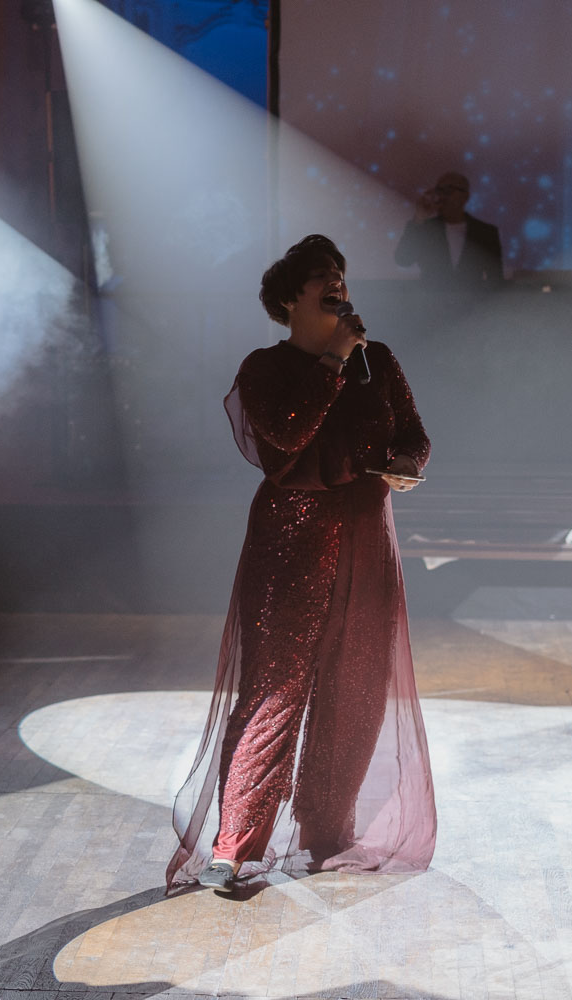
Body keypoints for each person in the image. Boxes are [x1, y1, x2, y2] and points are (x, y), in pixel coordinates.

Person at [167, 235, 437, 892]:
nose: (338, 283)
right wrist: (334, 363)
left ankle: (326, 831)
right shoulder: (267, 367)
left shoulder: (378, 361)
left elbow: (415, 437)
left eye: (342, 273)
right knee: (276, 686)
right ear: (289, 296)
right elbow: (286, 436)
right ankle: (237, 842)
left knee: (357, 686)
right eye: (322, 276)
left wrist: (406, 468)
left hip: (368, 533)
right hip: (294, 537)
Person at [393, 171, 503, 292]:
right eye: (439, 191)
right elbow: (403, 260)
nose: (442, 196)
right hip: (431, 307)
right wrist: (418, 219)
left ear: (465, 197)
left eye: (448, 190)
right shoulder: (426, 229)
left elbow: (495, 279)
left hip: (472, 307)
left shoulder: (485, 233)